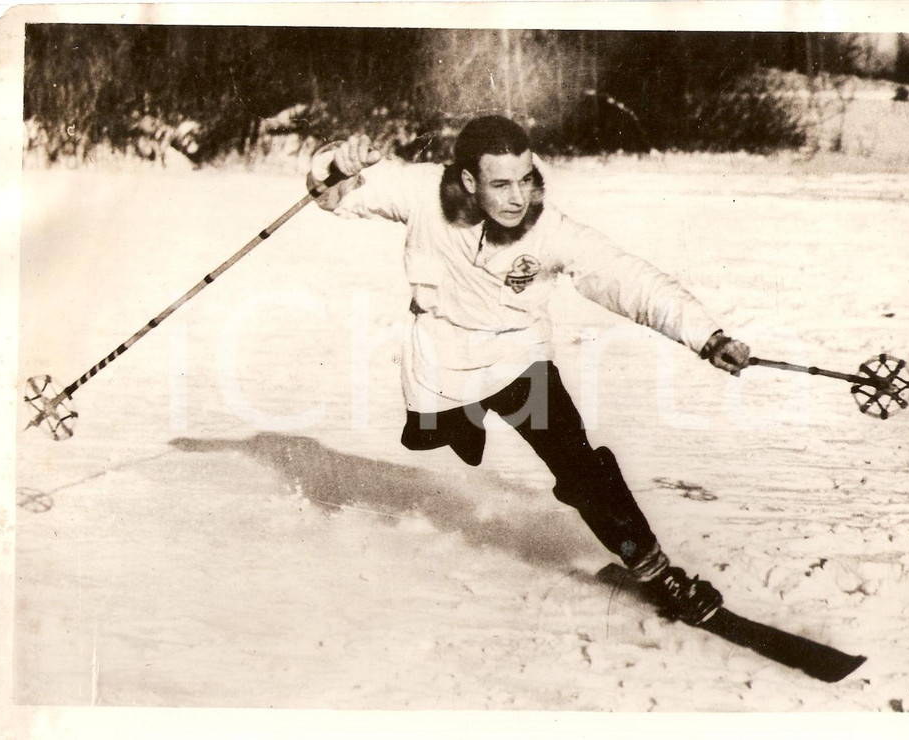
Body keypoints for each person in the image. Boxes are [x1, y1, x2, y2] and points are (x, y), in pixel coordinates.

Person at [308, 116, 751, 626]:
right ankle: (460, 429)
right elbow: (334, 193)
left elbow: (627, 278)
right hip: (441, 366)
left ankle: (655, 570)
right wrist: (338, 162)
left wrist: (705, 335)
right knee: (439, 439)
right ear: (469, 182)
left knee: (579, 465)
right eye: (501, 184)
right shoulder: (423, 193)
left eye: (525, 179)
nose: (517, 197)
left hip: (518, 360)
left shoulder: (549, 231)